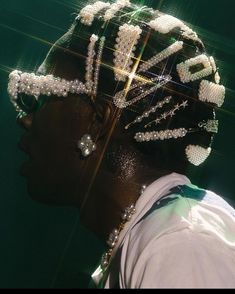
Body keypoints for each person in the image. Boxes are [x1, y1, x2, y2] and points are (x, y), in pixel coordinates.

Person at [7, 0, 235, 288]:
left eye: (45, 96)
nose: (27, 119)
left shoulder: (179, 245)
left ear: (99, 122)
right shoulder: (156, 235)